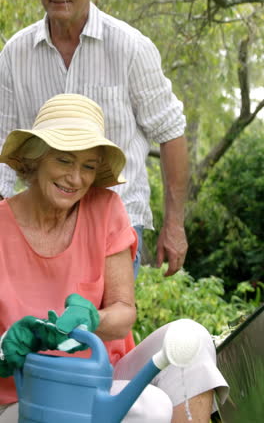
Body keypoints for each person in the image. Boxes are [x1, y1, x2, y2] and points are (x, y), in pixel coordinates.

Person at [0, 94, 228, 423]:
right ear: (35, 160)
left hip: (101, 378)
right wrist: (7, 345)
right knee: (150, 407)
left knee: (189, 339)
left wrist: (90, 319)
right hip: (24, 396)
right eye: (64, 161)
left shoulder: (105, 208)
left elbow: (124, 311)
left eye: (88, 167)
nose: (75, 179)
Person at [0, 0, 189, 278]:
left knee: (105, 324)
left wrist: (174, 224)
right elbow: (3, 143)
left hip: (116, 222)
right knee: (39, 324)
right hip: (40, 227)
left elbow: (171, 132)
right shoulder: (15, 54)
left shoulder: (131, 48)